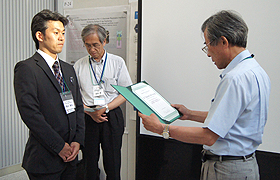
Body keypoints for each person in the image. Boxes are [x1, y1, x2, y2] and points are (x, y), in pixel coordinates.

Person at [139, 10, 270, 180]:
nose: (208, 53)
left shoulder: (235, 78)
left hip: (227, 170)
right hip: (245, 166)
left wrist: (162, 129)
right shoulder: (256, 71)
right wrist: (190, 114)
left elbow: (208, 136)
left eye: (208, 45)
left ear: (223, 41)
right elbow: (231, 119)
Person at [14, 9, 85, 180]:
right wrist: (59, 146)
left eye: (63, 33)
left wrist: (77, 141)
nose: (61, 38)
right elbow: (30, 114)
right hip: (45, 159)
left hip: (71, 157)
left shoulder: (68, 69)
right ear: (40, 36)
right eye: (55, 33)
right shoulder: (27, 68)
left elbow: (79, 107)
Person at [74, 24, 132, 180]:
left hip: (111, 116)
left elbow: (126, 92)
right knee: (89, 162)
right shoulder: (79, 65)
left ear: (104, 41)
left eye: (95, 45)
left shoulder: (117, 62)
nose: (92, 49)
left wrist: (105, 107)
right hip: (88, 117)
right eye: (88, 45)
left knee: (113, 162)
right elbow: (76, 96)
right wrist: (89, 111)